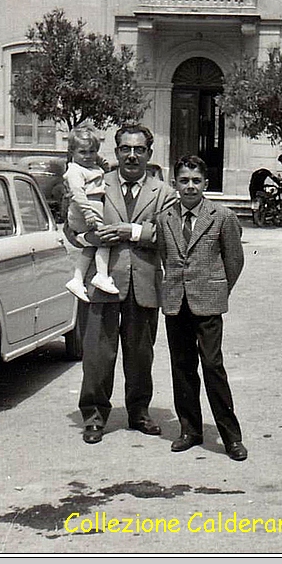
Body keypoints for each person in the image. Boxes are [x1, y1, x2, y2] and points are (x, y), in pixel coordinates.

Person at [76, 123, 178, 444]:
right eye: (125, 149)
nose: (132, 156)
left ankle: (139, 412)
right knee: (97, 354)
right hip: (102, 282)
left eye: (139, 150)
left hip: (144, 283)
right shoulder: (96, 182)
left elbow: (169, 234)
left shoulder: (163, 192)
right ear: (117, 152)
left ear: (149, 154)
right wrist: (94, 235)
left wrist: (128, 232)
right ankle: (94, 416)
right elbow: (74, 228)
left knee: (140, 355)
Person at [157, 155, 247, 461]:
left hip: (208, 305)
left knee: (212, 366)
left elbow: (234, 260)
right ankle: (190, 429)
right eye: (184, 180)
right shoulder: (166, 218)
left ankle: (231, 437)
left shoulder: (221, 216)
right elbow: (164, 257)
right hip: (175, 304)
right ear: (175, 184)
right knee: (182, 368)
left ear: (205, 184)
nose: (190, 187)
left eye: (196, 181)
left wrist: (218, 289)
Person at [62, 128, 119, 301]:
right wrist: (87, 213)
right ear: (72, 152)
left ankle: (77, 279)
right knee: (104, 239)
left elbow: (106, 169)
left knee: (91, 245)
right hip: (85, 207)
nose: (87, 156)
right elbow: (78, 193)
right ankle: (101, 275)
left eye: (92, 151)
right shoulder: (75, 170)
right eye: (82, 152)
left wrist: (99, 159)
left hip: (91, 205)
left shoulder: (91, 167)